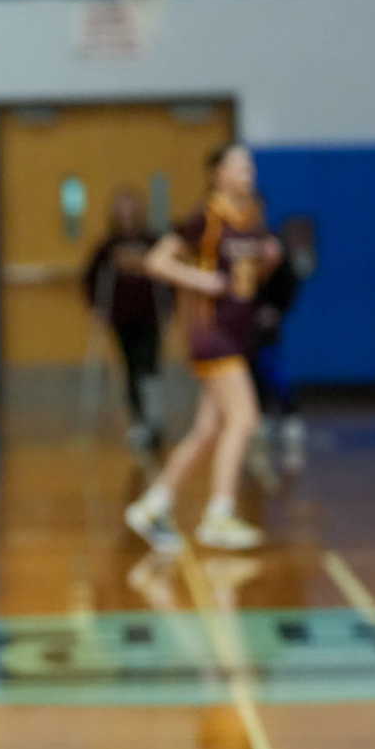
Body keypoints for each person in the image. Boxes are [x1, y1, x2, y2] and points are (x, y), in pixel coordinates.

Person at [123, 145, 279, 555]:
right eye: (239, 165)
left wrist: (268, 262)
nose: (248, 171)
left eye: (250, 165)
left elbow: (244, 275)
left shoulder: (251, 217)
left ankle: (152, 507)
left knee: (208, 430)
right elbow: (156, 261)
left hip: (237, 332)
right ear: (217, 174)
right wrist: (198, 280)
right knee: (244, 419)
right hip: (212, 334)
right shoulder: (206, 216)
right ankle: (218, 515)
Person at [82, 187, 167, 456]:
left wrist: (169, 306)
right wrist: (97, 307)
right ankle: (139, 420)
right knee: (130, 368)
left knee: (148, 366)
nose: (127, 217)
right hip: (121, 318)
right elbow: (91, 278)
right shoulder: (108, 247)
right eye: (122, 212)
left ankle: (154, 419)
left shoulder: (152, 242)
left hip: (149, 316)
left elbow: (169, 275)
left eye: (131, 211)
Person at [246, 214, 314, 479]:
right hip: (241, 331)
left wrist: (276, 311)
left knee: (275, 371)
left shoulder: (276, 249)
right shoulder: (237, 248)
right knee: (251, 376)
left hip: (267, 331)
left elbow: (290, 283)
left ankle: (290, 420)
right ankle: (259, 423)